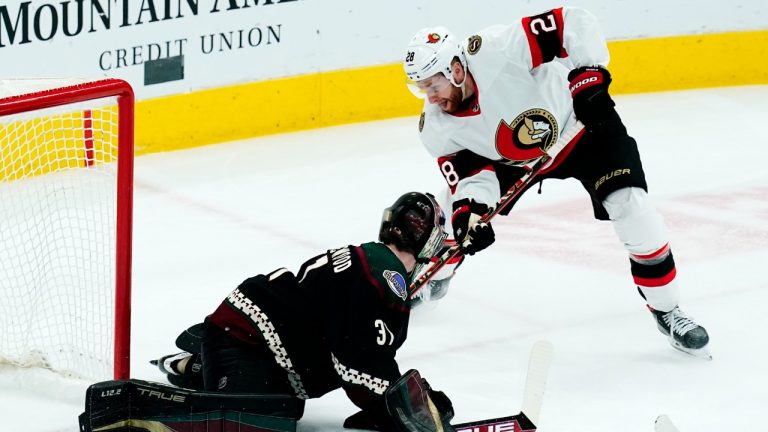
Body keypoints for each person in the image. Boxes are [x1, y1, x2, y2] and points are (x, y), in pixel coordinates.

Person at [402, 7, 710, 358]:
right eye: (421, 88)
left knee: (632, 206)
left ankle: (667, 310)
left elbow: (573, 23)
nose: (429, 97)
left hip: (582, 128)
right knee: (449, 211)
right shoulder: (437, 127)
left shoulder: (497, 50)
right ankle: (438, 274)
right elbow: (472, 176)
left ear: (456, 70)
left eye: (433, 84)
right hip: (515, 161)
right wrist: (470, 213)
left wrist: (588, 76)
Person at [152, 192, 455, 431]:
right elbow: (358, 363)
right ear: (430, 241)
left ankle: (197, 366)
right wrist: (403, 408)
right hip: (246, 340)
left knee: (287, 409)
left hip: (261, 348)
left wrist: (390, 404)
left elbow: (361, 354)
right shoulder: (383, 278)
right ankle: (164, 404)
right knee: (256, 423)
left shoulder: (371, 260)